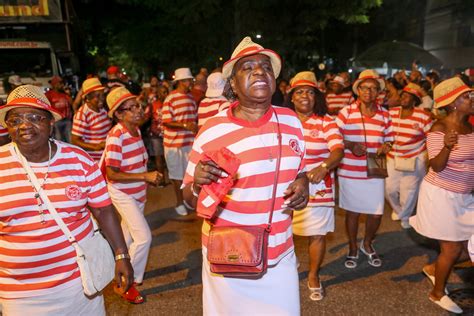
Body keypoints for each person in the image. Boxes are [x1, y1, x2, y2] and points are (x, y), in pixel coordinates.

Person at [181, 36, 309, 315]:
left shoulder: (291, 121)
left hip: (280, 253)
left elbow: (300, 168)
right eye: (247, 67)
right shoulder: (213, 130)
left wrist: (304, 182)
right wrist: (198, 184)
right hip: (229, 256)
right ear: (233, 85)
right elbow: (188, 197)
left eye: (265, 67)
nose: (259, 71)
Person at [0, 85, 133, 315]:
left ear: (51, 122)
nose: (24, 126)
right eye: (15, 120)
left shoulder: (78, 159)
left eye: (34, 117)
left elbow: (103, 211)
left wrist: (121, 254)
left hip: (80, 284)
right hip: (19, 295)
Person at [410, 77, 474, 314]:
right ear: (453, 103)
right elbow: (436, 166)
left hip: (464, 196)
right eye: (466, 96)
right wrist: (447, 146)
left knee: (469, 246)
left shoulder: (470, 127)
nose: (472, 100)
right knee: (452, 249)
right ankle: (437, 293)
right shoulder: (438, 129)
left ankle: (433, 268)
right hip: (441, 195)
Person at [103, 87, 162, 304]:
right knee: (144, 237)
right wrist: (146, 176)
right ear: (118, 114)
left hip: (137, 193)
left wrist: (147, 177)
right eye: (132, 108)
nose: (139, 110)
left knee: (127, 238)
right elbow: (112, 173)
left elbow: (138, 164)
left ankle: (117, 273)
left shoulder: (136, 131)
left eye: (138, 105)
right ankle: (129, 282)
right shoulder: (116, 136)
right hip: (122, 193)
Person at [289, 71, 344, 301]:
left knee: (317, 235)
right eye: (299, 92)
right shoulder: (283, 119)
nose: (305, 96)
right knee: (281, 232)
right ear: (291, 97)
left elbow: (338, 150)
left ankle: (313, 275)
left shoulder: (326, 122)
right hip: (285, 186)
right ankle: (287, 264)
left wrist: (323, 167)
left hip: (317, 186)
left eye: (310, 92)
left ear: (316, 97)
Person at [336, 69, 394, 269]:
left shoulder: (385, 114)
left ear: (378, 92)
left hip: (374, 169)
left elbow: (390, 138)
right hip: (350, 171)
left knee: (376, 213)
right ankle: (352, 247)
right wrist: (351, 145)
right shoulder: (346, 112)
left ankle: (367, 243)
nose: (368, 91)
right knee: (352, 212)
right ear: (358, 90)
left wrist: (386, 146)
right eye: (364, 87)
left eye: (373, 88)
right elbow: (334, 137)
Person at [385, 83, 432, 229]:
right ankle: (399, 211)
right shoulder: (391, 113)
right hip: (392, 157)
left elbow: (430, 138)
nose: (403, 98)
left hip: (414, 158)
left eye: (408, 96)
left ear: (415, 100)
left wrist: (422, 155)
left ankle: (405, 216)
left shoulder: (423, 116)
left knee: (409, 190)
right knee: (389, 188)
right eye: (402, 95)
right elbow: (384, 133)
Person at [162, 68, 198, 216]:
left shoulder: (190, 98)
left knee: (189, 176)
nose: (191, 82)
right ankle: (178, 203)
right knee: (177, 176)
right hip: (173, 145)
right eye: (189, 80)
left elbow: (194, 119)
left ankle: (186, 200)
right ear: (181, 82)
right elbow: (166, 121)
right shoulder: (170, 99)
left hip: (188, 144)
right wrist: (184, 125)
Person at [72, 78, 112, 161]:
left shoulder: (102, 110)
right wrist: (96, 146)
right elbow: (75, 141)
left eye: (102, 95)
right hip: (93, 160)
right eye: (97, 96)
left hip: (106, 156)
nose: (102, 99)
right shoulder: (83, 114)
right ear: (88, 98)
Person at [45, 76, 73, 142]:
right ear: (55, 84)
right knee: (59, 139)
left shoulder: (64, 94)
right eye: (60, 83)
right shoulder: (48, 94)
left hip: (66, 120)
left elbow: (71, 104)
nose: (62, 85)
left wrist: (68, 94)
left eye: (62, 83)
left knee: (69, 139)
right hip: (56, 120)